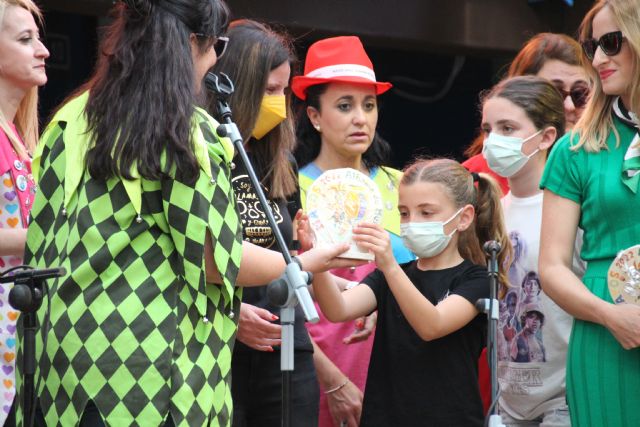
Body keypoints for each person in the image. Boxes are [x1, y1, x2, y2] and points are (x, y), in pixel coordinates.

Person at [21, 2, 357, 426]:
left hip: (67, 359)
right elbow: (216, 260)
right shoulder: (188, 130)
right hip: (153, 366)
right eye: (216, 46)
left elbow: (44, 240)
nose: (216, 59)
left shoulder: (69, 120)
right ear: (192, 43)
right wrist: (305, 262)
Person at [311, 158, 511, 426]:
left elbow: (432, 325)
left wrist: (389, 265)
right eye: (404, 213)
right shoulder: (392, 275)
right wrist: (318, 260)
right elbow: (338, 310)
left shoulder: (476, 278)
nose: (411, 222)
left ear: (463, 218)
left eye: (426, 213)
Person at [291, 35, 414, 427]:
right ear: (314, 116)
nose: (360, 118)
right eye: (344, 106)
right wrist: (331, 379)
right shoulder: (290, 189)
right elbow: (278, 295)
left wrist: (382, 299)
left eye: (369, 105)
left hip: (395, 365)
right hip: (315, 367)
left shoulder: (405, 187)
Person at [207, 19, 319, 426]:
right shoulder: (200, 153)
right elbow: (181, 256)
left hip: (288, 340)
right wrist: (234, 317)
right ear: (234, 85)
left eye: (284, 91)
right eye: (269, 90)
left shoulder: (279, 162)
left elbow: (286, 253)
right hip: (219, 341)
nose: (279, 103)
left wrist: (314, 255)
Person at [539, 0, 640, 425]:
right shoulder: (574, 148)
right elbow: (552, 266)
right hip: (607, 331)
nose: (599, 59)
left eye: (612, 43)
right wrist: (610, 316)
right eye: (592, 46)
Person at [481, 75, 587, 426]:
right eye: (488, 129)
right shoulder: (491, 212)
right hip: (506, 400)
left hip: (564, 396)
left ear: (546, 136)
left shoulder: (572, 210)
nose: (493, 140)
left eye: (507, 128)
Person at [464, 32, 592, 195]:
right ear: (517, 91)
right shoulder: (473, 178)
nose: (569, 106)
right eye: (555, 93)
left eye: (580, 93)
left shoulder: (602, 172)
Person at [0, 1, 48, 425]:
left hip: (19, 331)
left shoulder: (17, 134)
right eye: (25, 39)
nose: (44, 50)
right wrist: (55, 237)